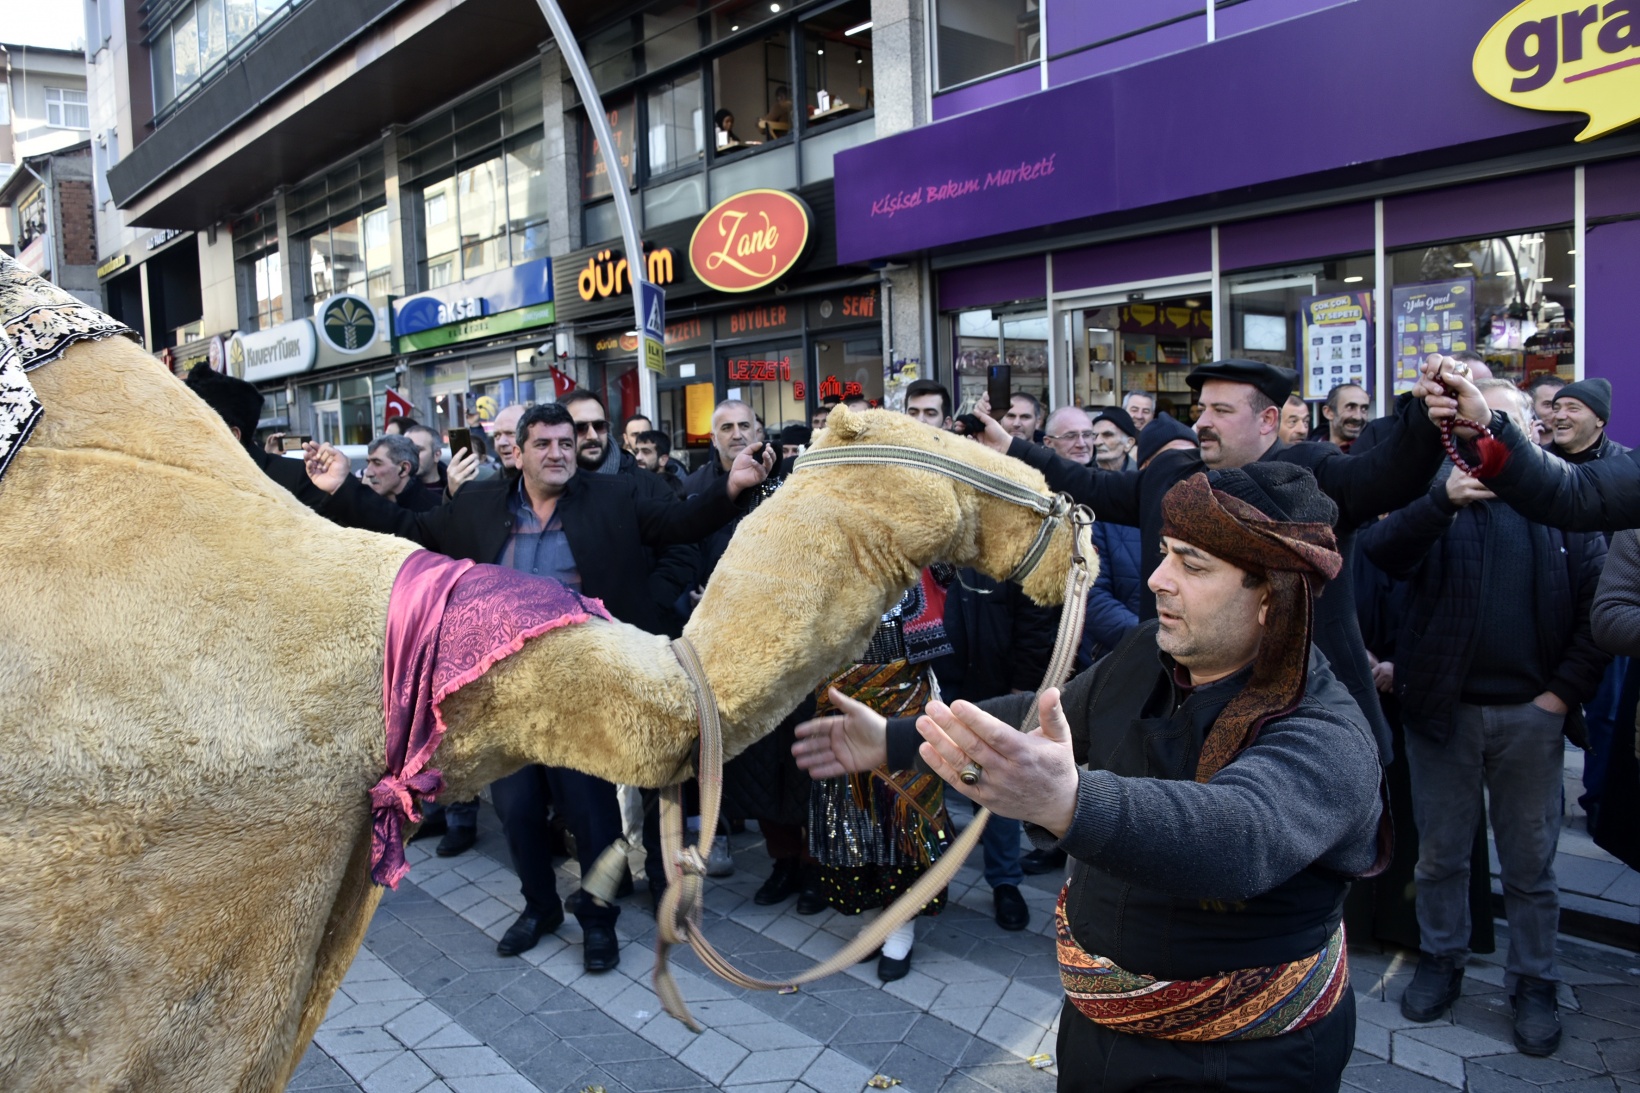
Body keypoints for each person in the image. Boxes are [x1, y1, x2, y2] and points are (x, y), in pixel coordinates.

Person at [795, 464, 1382, 1090]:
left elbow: (1239, 835)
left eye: (1192, 565)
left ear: (1272, 598)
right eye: (1164, 553)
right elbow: (1038, 719)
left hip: (1246, 1064)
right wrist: (895, 737)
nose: (1158, 579)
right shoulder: (1148, 651)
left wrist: (1068, 802)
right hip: (1097, 1036)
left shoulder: (1329, 732)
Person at [302, 403, 773, 971]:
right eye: (544, 444)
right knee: (518, 811)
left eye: (565, 444)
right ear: (518, 452)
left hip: (580, 691)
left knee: (592, 815)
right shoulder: (477, 506)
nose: (557, 454)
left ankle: (598, 920)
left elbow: (680, 524)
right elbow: (410, 531)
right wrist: (342, 488)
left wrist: (731, 486)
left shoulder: (613, 497)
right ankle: (540, 907)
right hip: (505, 697)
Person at [979, 358, 1450, 765]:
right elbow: (1093, 487)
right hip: (1183, 715)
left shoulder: (1311, 474)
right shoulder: (1172, 474)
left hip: (1301, 719)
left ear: (1267, 420)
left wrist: (1428, 416)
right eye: (1201, 409)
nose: (1203, 421)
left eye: (1221, 411)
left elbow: (1389, 474)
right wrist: (1012, 449)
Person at [1360, 380, 1608, 1056]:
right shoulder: (1440, 491)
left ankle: (1534, 981)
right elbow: (1382, 556)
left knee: (1531, 865)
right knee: (1441, 855)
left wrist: (1558, 698)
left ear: (1529, 427)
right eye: (1475, 423)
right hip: (1444, 713)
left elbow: (1596, 612)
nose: (1485, 431)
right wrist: (1440, 501)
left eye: (1501, 418)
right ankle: (1442, 960)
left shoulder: (1564, 499)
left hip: (1532, 715)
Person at [183, 364, 331, 510]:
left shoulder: (295, 478)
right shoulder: (197, 489)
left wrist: (339, 487)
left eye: (199, 430)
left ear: (233, 435)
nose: (189, 439)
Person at [363, 435, 439, 511]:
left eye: (377, 463)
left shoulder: (434, 510)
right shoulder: (368, 502)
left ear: (404, 469)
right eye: (368, 463)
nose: (368, 473)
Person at [634, 428, 684, 496]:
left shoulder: (672, 491)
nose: (638, 457)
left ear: (663, 460)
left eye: (646, 452)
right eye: (636, 452)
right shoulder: (631, 484)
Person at [1321, 383, 1370, 451]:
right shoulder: (1311, 448)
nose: (1358, 417)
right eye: (1350, 407)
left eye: (1364, 409)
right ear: (1328, 412)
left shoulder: (1373, 452)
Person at [1089, 407, 1137, 472]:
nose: (1097, 442)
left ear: (1128, 443)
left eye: (1107, 435)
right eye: (1094, 435)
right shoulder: (1081, 475)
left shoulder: (1143, 476)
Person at [1525, 373, 1567, 447]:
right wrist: (1532, 445)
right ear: (1531, 406)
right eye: (1547, 405)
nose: (1554, 413)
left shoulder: (1573, 443)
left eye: (1558, 406)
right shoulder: (1518, 440)